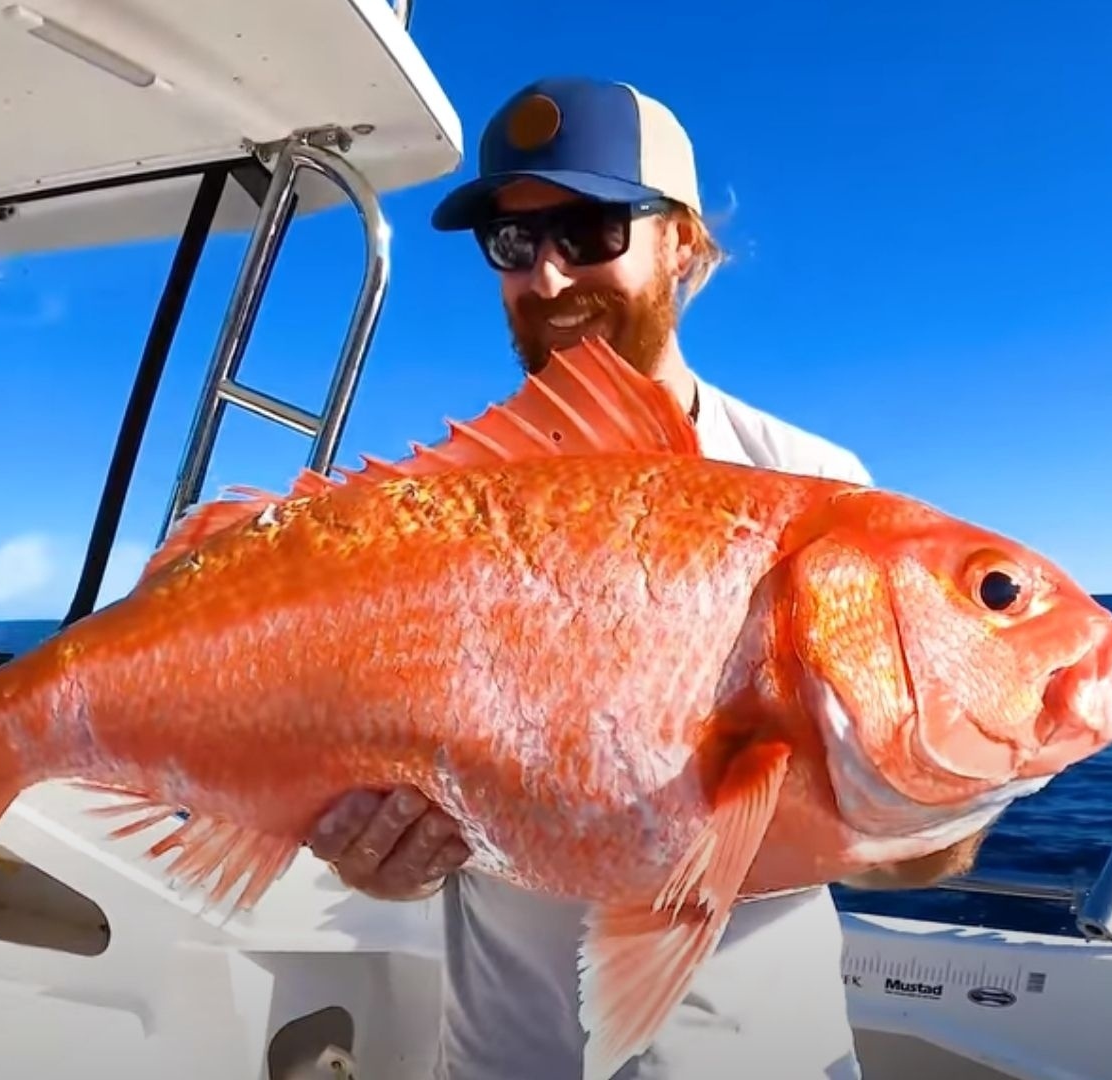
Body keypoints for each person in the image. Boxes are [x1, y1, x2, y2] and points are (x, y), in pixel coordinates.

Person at [306, 76, 987, 1079]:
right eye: (511, 242)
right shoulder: (431, 519)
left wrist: (929, 805)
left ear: (683, 245)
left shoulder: (820, 495)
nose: (544, 278)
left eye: (588, 232)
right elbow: (406, 833)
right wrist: (381, 863)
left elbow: (936, 850)